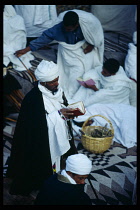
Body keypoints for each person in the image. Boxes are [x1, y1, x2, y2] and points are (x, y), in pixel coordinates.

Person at [6, 60, 78, 196]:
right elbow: (33, 127)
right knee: (45, 166)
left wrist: (68, 114)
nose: (56, 83)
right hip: (43, 142)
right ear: (43, 82)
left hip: (58, 134)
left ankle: (53, 178)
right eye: (52, 82)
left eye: (57, 79)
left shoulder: (58, 91)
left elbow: (61, 108)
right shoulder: (33, 99)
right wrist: (58, 115)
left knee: (57, 163)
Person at [14, 10, 104, 100]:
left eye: (69, 29)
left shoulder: (86, 26)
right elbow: (44, 38)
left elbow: (95, 36)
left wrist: (92, 44)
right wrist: (25, 50)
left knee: (89, 70)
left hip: (84, 49)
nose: (66, 30)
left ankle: (89, 89)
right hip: (68, 52)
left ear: (76, 25)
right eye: (65, 28)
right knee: (75, 73)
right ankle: (74, 96)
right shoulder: (58, 29)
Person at [71, 58, 136, 107]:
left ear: (113, 74)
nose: (102, 72)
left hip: (114, 101)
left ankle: (80, 106)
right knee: (86, 89)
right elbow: (95, 71)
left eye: (104, 72)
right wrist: (87, 81)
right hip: (102, 91)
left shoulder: (120, 85)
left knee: (92, 101)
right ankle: (74, 102)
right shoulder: (107, 68)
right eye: (102, 69)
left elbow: (102, 96)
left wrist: (95, 89)